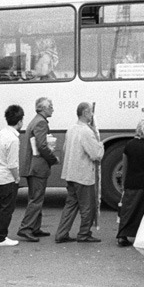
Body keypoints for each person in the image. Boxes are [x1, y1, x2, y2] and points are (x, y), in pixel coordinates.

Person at [55, 102, 105, 243]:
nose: (92, 115)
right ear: (84, 113)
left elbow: (65, 149)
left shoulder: (71, 129)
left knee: (70, 205)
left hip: (70, 173)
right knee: (87, 206)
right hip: (83, 175)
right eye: (90, 112)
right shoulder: (86, 131)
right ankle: (84, 233)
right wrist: (100, 144)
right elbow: (96, 154)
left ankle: (61, 233)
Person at [17, 97, 58, 242]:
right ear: (43, 108)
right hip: (37, 168)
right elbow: (42, 146)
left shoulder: (36, 120)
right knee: (36, 199)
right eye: (50, 106)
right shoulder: (41, 122)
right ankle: (26, 228)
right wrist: (53, 159)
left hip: (32, 167)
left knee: (36, 197)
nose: (52, 108)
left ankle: (35, 227)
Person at [115, 118, 144, 247]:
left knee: (128, 210)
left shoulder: (129, 144)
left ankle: (122, 235)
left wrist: (124, 184)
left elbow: (125, 165)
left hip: (131, 182)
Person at [0, 104, 24, 247]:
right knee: (7, 209)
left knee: (0, 206)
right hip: (8, 177)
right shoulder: (13, 139)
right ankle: (1, 237)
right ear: (20, 121)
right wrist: (17, 178)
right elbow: (12, 164)